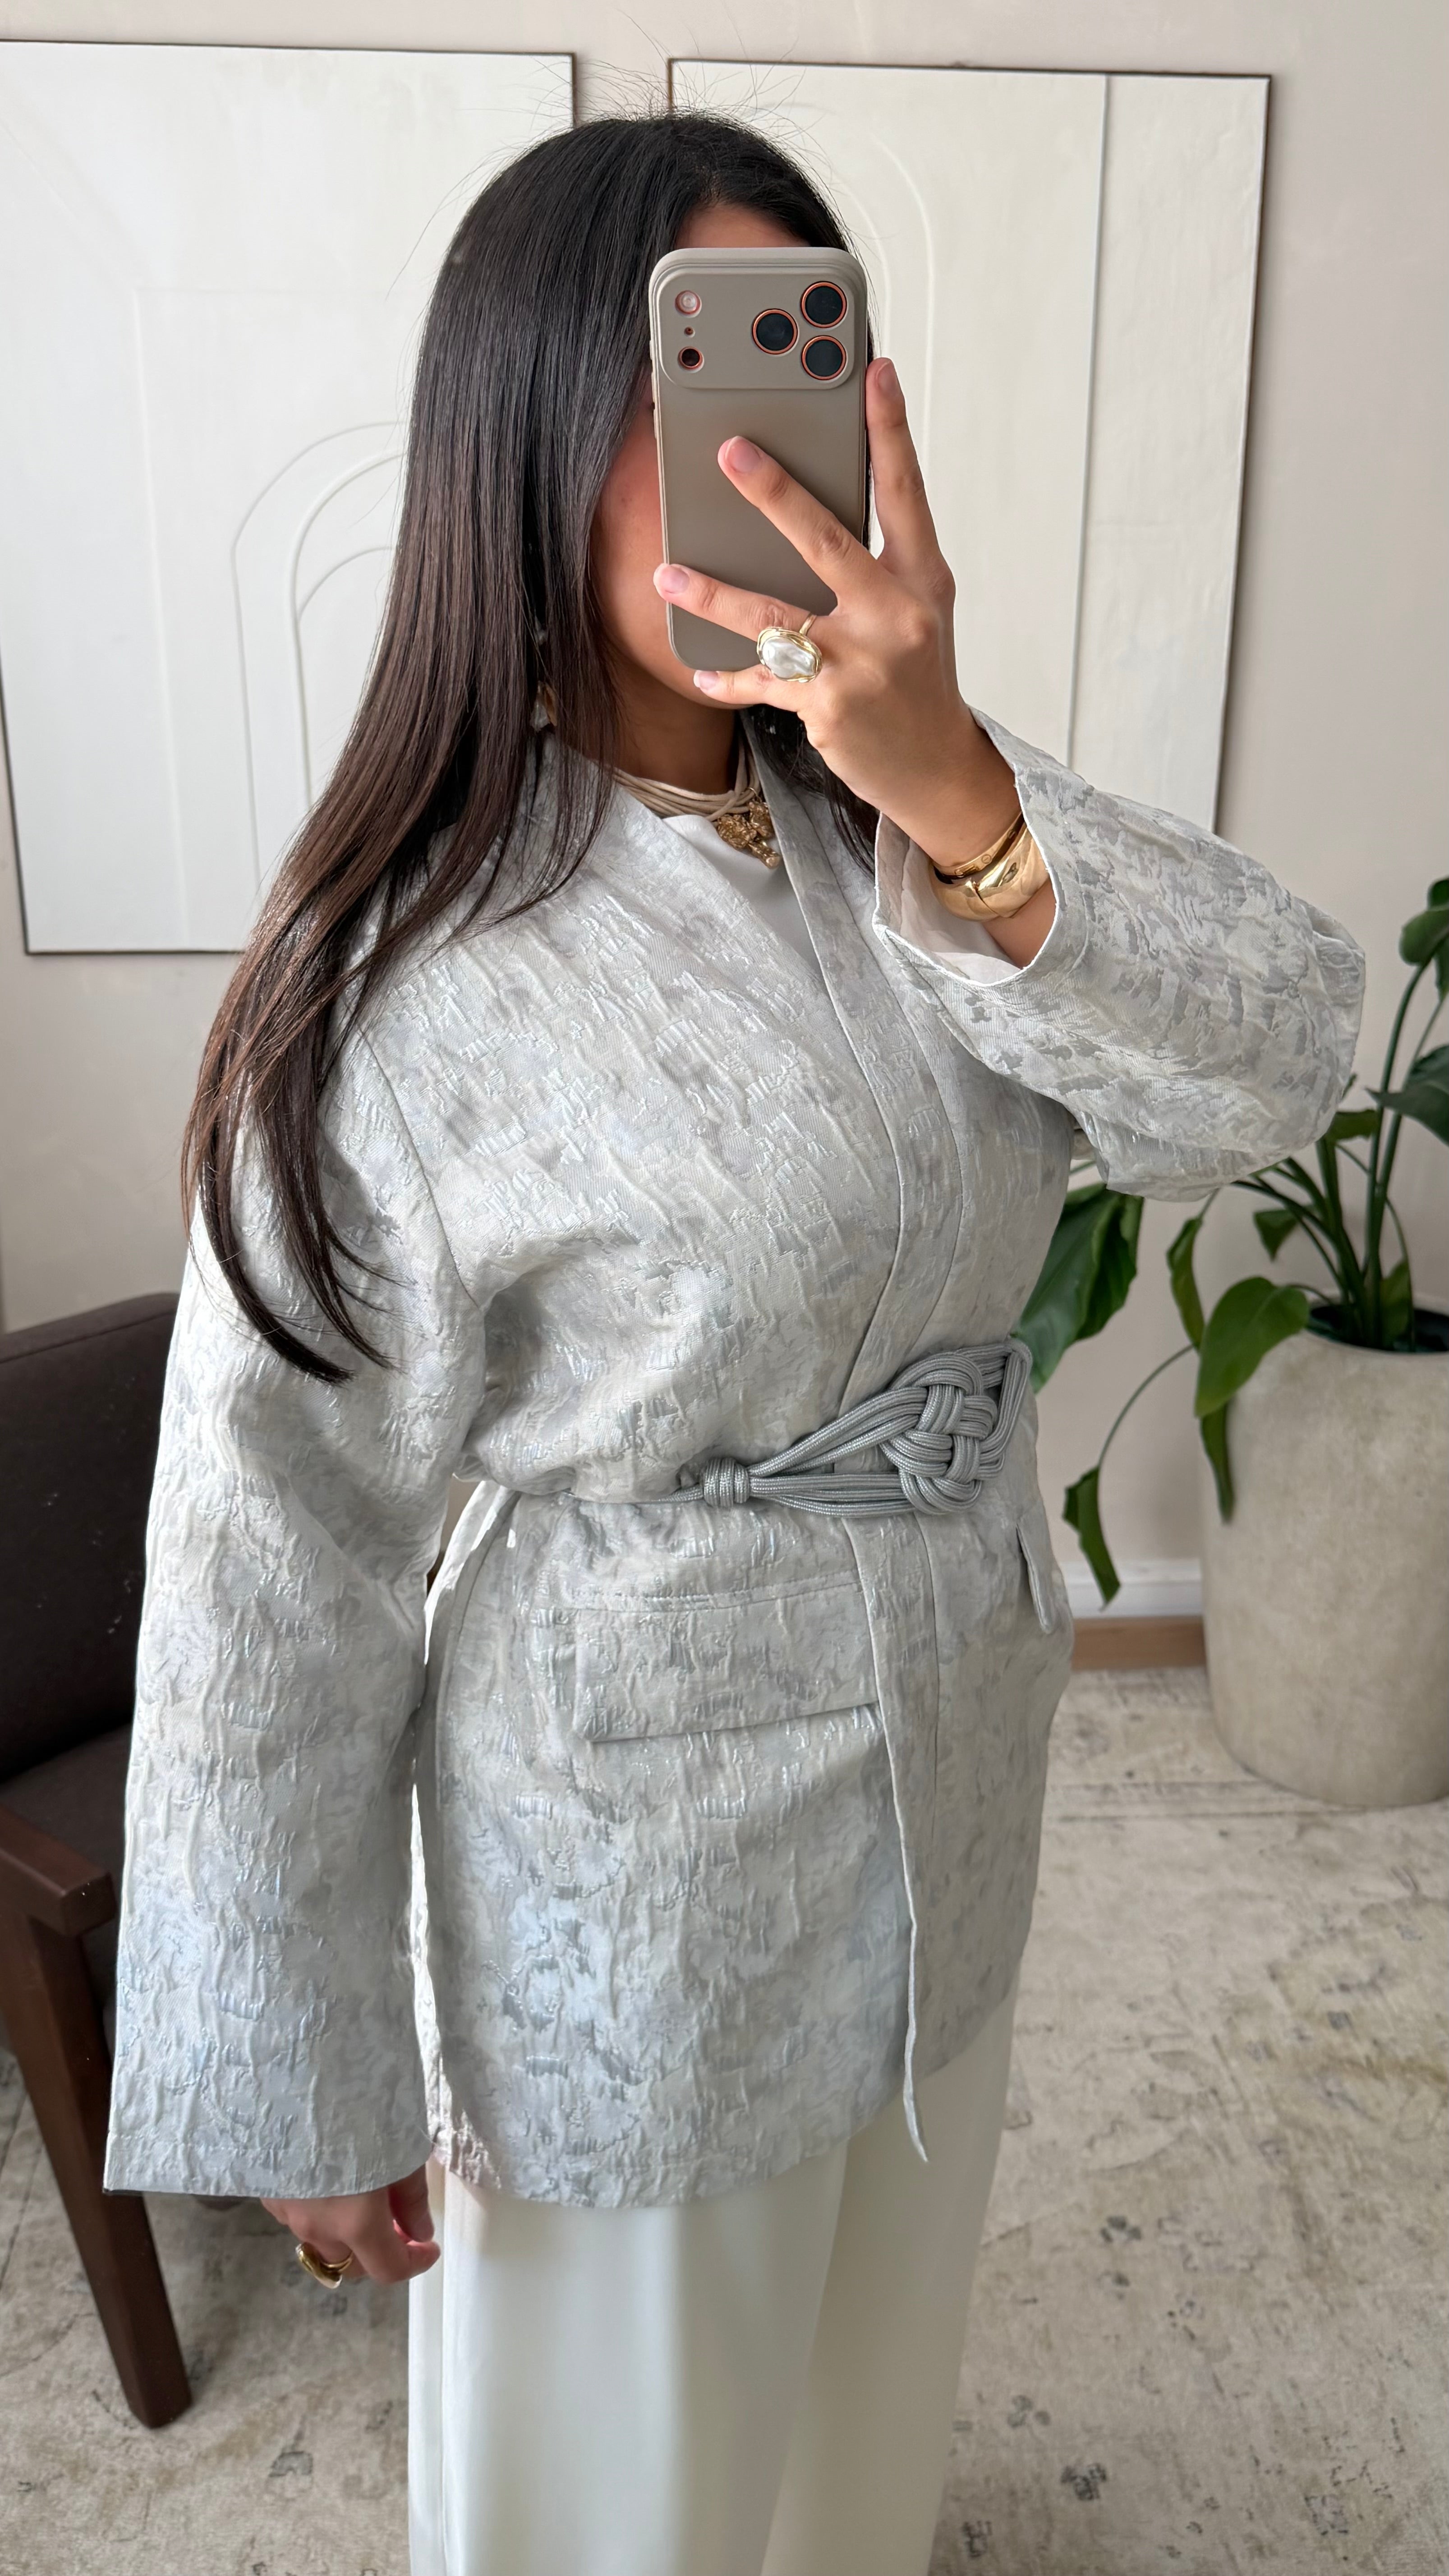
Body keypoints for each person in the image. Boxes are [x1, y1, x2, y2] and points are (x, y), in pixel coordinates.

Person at [101, 112, 1363, 2576]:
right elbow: (276, 1551)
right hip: (632, 1879)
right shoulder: (392, 983)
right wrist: (302, 2057)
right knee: (622, 2503)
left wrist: (965, 797)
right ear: (519, 437)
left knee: (857, 2442)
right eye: (687, 395)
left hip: (950, 1782)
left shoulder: (914, 819)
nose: (758, 475)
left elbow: (1283, 1066)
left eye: (800, 386)